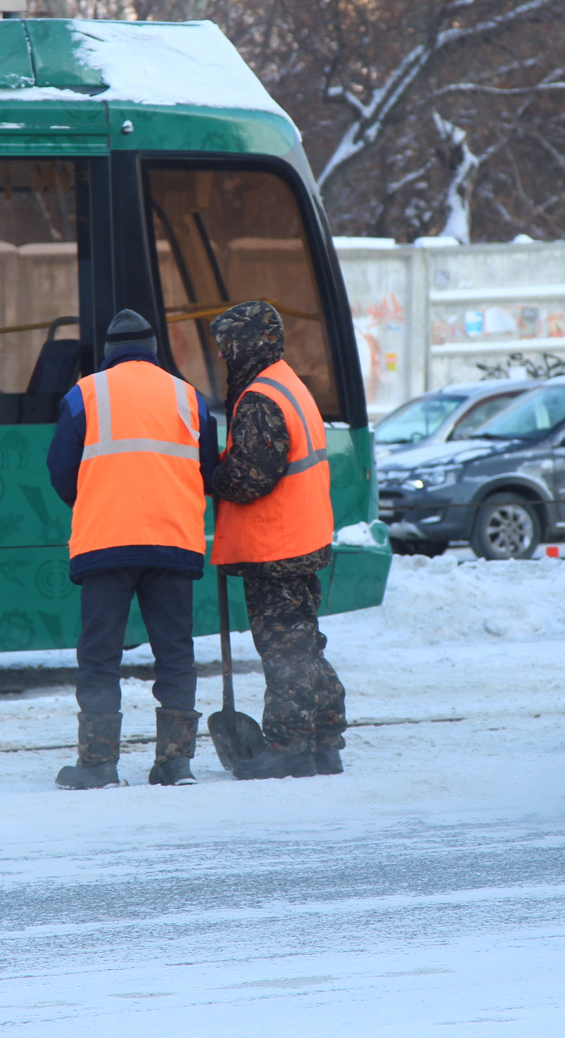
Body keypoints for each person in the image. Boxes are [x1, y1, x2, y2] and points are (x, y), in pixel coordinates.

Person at [47, 309, 217, 789]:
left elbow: (61, 471)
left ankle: (98, 762)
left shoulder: (86, 394)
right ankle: (175, 763)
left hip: (107, 542)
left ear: (109, 352)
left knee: (101, 654)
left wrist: (96, 499)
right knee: (175, 652)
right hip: (173, 542)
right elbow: (206, 470)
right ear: (154, 351)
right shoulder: (190, 398)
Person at [208, 300, 346, 780]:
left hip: (276, 547)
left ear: (248, 343)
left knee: (284, 650)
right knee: (304, 644)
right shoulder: (288, 384)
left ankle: (289, 746)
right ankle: (325, 742)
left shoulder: (260, 398)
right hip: (300, 537)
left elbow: (250, 479)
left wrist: (212, 474)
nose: (223, 356)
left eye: (227, 345)